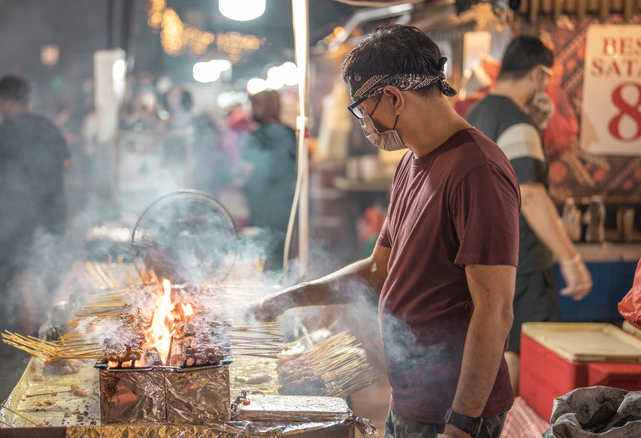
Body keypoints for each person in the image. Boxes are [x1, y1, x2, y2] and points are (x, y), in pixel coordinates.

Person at [252, 24, 521, 438]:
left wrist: (463, 425)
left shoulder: (477, 170)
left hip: (453, 411)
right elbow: (380, 270)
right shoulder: (411, 163)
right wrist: (287, 298)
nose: (365, 123)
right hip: (412, 397)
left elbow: (495, 309)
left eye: (363, 108)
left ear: (394, 97)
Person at [465, 36, 592, 396]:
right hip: (520, 259)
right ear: (538, 75)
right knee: (516, 348)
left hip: (484, 253)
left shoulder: (479, 113)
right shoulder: (516, 122)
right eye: (547, 77)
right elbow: (531, 197)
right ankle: (497, 428)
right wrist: (570, 258)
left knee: (491, 343)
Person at [0, 75, 71, 334]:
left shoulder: (1, 134)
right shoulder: (47, 126)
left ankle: (35, 350)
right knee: (42, 273)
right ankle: (51, 337)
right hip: (53, 214)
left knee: (25, 278)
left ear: (5, 102)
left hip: (20, 219)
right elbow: (67, 163)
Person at [241, 90, 297, 274]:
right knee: (282, 246)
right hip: (285, 197)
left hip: (261, 198)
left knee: (262, 246)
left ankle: (264, 285)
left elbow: (245, 161)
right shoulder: (290, 133)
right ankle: (280, 285)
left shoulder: (258, 136)